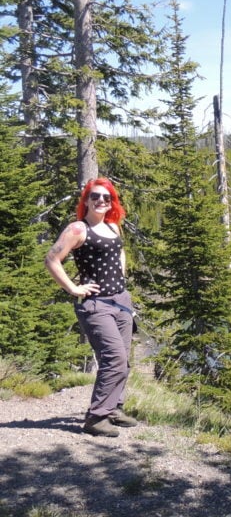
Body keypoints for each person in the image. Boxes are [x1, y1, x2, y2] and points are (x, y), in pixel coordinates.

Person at [45, 178, 138, 437]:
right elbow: (52, 259)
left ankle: (114, 409)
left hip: (121, 301)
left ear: (112, 203)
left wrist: (122, 278)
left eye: (106, 198)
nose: (101, 201)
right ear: (86, 200)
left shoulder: (113, 227)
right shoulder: (77, 229)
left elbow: (119, 253)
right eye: (95, 196)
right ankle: (96, 418)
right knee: (114, 359)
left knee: (124, 360)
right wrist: (73, 289)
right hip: (96, 306)